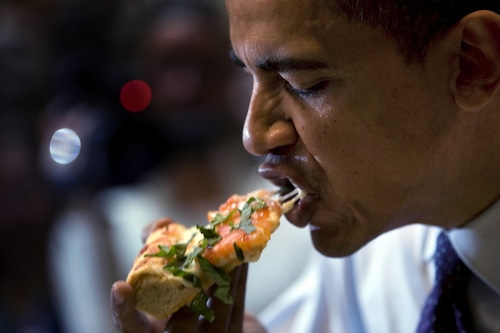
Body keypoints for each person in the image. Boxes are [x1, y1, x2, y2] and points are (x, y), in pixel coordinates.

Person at [111, 0, 500, 332]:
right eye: (247, 77)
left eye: (304, 84)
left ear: (470, 62)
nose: (254, 136)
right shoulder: (366, 269)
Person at [49, 1, 311, 333]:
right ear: (141, 76)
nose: (187, 87)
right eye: (169, 66)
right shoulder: (103, 221)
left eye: (202, 64)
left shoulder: (284, 198)